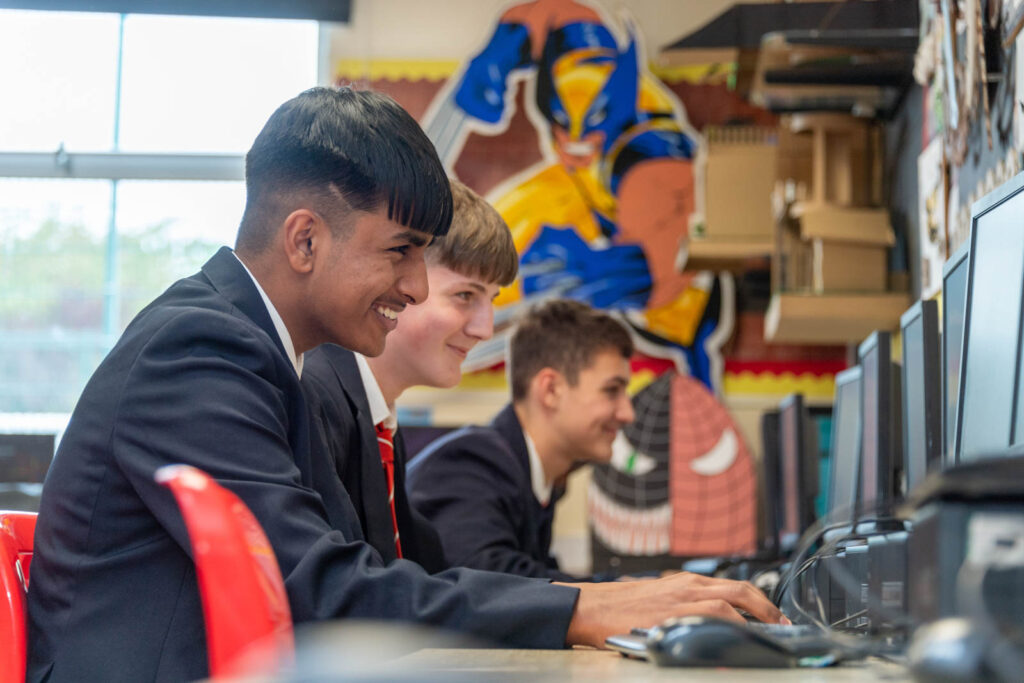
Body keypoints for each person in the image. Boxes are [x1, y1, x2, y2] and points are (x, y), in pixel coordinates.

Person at [27, 86, 783, 683]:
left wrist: (591, 601)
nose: (416, 284)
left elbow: (389, 574)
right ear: (304, 240)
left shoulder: (262, 351)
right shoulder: (199, 349)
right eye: (400, 251)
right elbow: (322, 589)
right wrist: (585, 605)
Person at [300, 178, 517, 573]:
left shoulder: (379, 425)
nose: (485, 329)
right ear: (402, 283)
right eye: (465, 296)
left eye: (492, 301)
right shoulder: (316, 400)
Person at [408, 299, 635, 579]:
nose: (628, 413)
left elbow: (534, 579)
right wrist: (633, 593)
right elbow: (492, 589)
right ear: (551, 390)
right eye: (612, 390)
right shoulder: (470, 465)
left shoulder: (532, 477)